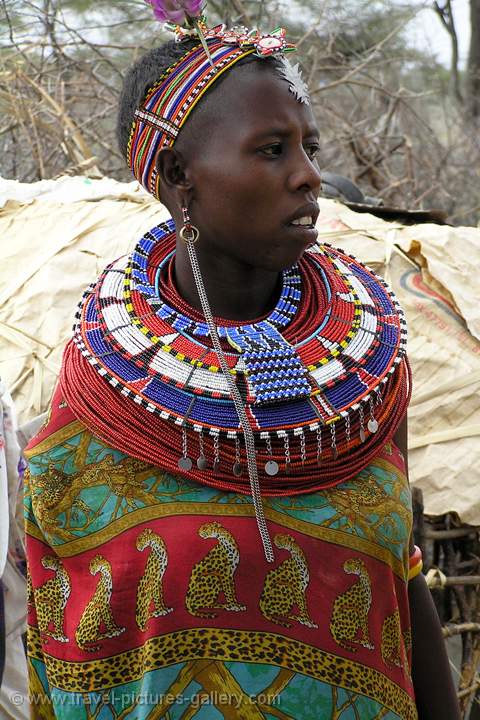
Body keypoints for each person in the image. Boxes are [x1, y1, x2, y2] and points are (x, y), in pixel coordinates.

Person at [24, 7, 460, 719]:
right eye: (271, 150)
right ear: (177, 176)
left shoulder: (367, 382)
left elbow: (404, 587)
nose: (309, 177)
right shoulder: (98, 400)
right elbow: (60, 633)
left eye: (308, 147)